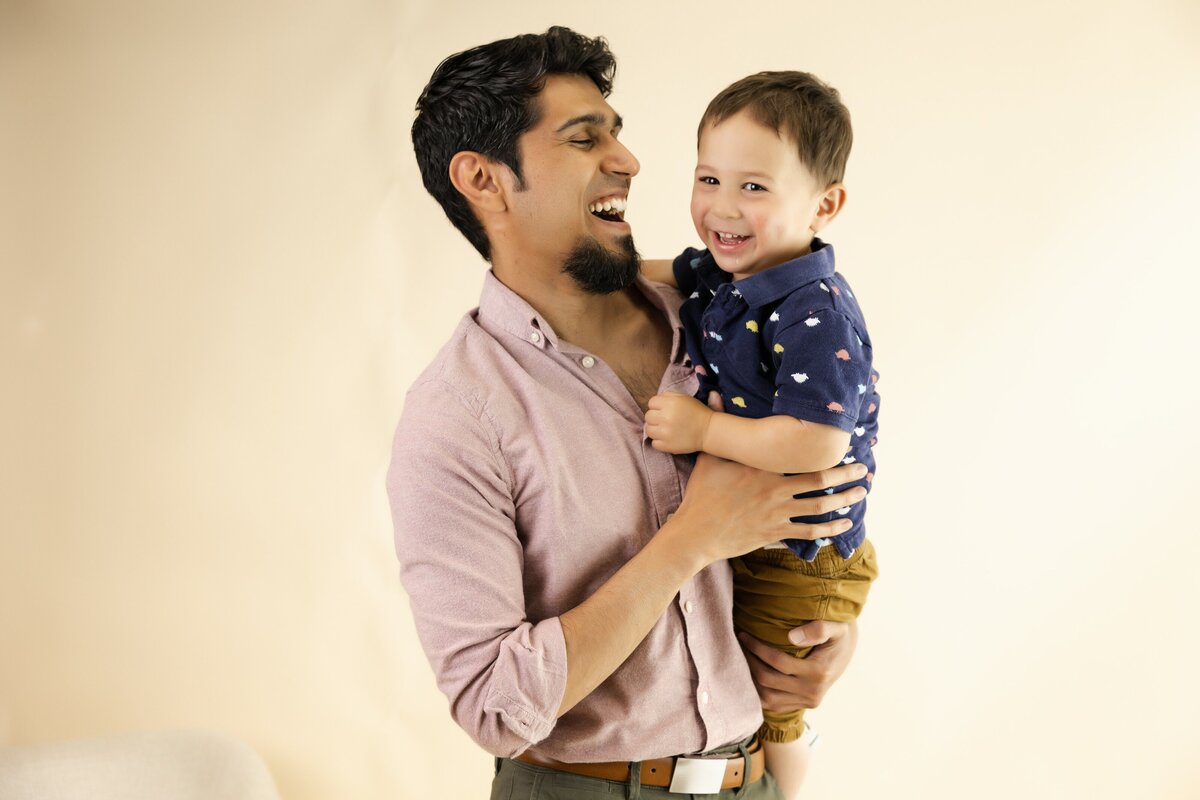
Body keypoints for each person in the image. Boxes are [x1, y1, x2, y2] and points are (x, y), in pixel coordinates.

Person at [389, 27, 867, 799]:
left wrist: (824, 631)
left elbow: (823, 460)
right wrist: (689, 541)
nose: (629, 160)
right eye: (584, 138)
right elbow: (493, 705)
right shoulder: (455, 417)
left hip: (754, 780)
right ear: (483, 179)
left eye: (617, 131)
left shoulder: (722, 312)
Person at [640, 71, 880, 797]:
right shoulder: (723, 271)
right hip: (759, 537)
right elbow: (653, 277)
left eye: (754, 187)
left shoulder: (813, 307)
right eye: (708, 177)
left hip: (803, 555)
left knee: (776, 697)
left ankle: (790, 786)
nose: (721, 207)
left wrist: (705, 428)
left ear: (825, 205)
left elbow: (816, 442)